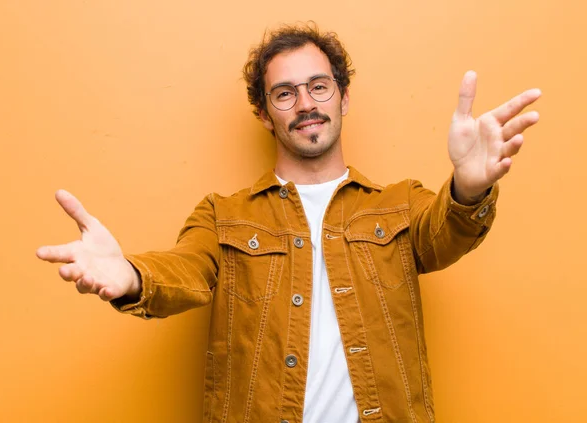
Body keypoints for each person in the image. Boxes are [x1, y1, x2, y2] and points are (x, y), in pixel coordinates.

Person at [36, 23, 541, 423]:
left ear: (343, 97)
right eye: (284, 93)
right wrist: (131, 276)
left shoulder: (400, 203)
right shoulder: (223, 214)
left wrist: (469, 187)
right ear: (263, 113)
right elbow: (187, 269)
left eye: (319, 87)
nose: (305, 104)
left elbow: (443, 237)